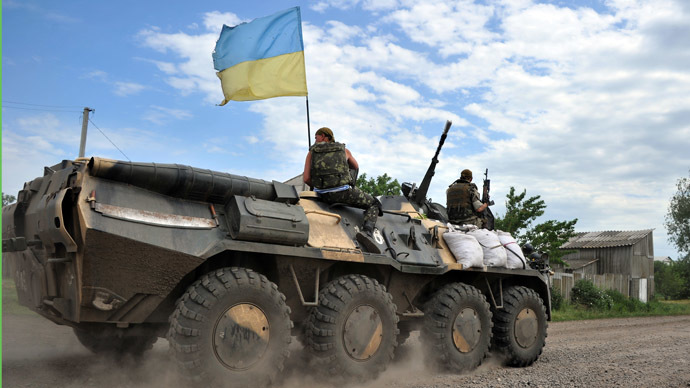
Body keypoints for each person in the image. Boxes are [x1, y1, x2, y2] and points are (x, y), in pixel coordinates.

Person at [303, 127, 382, 253]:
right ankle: (367, 233)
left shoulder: (311, 153)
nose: (315, 139)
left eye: (316, 137)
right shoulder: (344, 150)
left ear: (323, 136)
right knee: (374, 203)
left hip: (322, 196)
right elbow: (355, 166)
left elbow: (306, 178)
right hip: (343, 193)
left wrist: (320, 185)